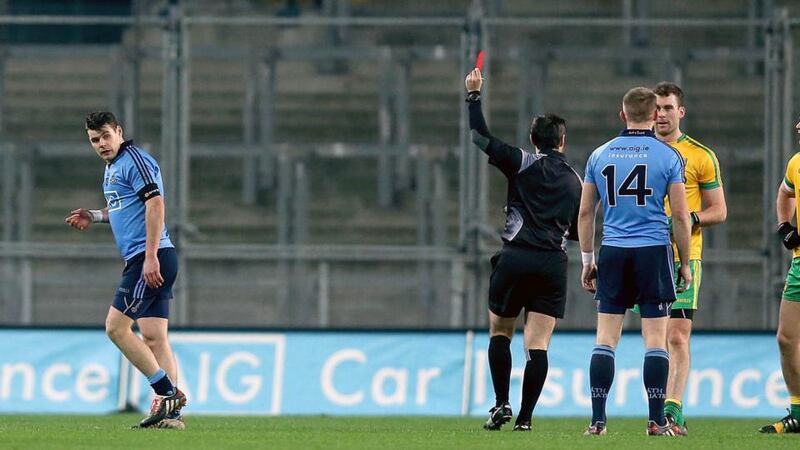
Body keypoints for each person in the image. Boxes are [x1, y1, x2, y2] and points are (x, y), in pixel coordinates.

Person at [465, 68, 582, 432]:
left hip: (515, 258)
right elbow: (580, 231)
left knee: (501, 332)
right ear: (562, 141)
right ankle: (526, 419)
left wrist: (473, 95)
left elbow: (479, 137)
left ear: (534, 140)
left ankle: (501, 403)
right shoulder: (577, 180)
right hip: (551, 263)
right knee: (538, 345)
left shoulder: (521, 162)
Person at [578, 87, 692, 436]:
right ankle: (656, 421)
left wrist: (587, 259)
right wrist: (685, 263)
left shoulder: (599, 155)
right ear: (654, 114)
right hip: (653, 251)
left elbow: (585, 212)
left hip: (613, 249)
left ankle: (598, 421)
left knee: (605, 339)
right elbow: (682, 218)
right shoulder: (669, 157)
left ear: (622, 115)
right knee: (655, 340)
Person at [65, 112, 186, 429]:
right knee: (154, 338)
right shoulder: (113, 168)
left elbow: (155, 204)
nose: (101, 144)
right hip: (151, 257)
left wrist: (149, 256)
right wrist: (94, 215)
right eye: (94, 140)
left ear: (119, 132)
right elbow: (121, 208)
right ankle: (171, 417)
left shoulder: (135, 160)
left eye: (105, 135)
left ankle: (166, 392)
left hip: (151, 257)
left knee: (115, 328)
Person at [650, 81, 727, 433]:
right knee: (654, 337)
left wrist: (690, 219)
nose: (662, 114)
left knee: (677, 336)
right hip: (645, 254)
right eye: (657, 108)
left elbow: (719, 211)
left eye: (668, 108)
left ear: (681, 112)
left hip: (685, 256)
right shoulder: (639, 150)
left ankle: (672, 410)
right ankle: (654, 411)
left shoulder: (700, 155)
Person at [762, 119, 800, 434]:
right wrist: (784, 226)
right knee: (786, 339)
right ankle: (798, 412)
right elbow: (785, 193)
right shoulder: (796, 163)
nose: (799, 127)